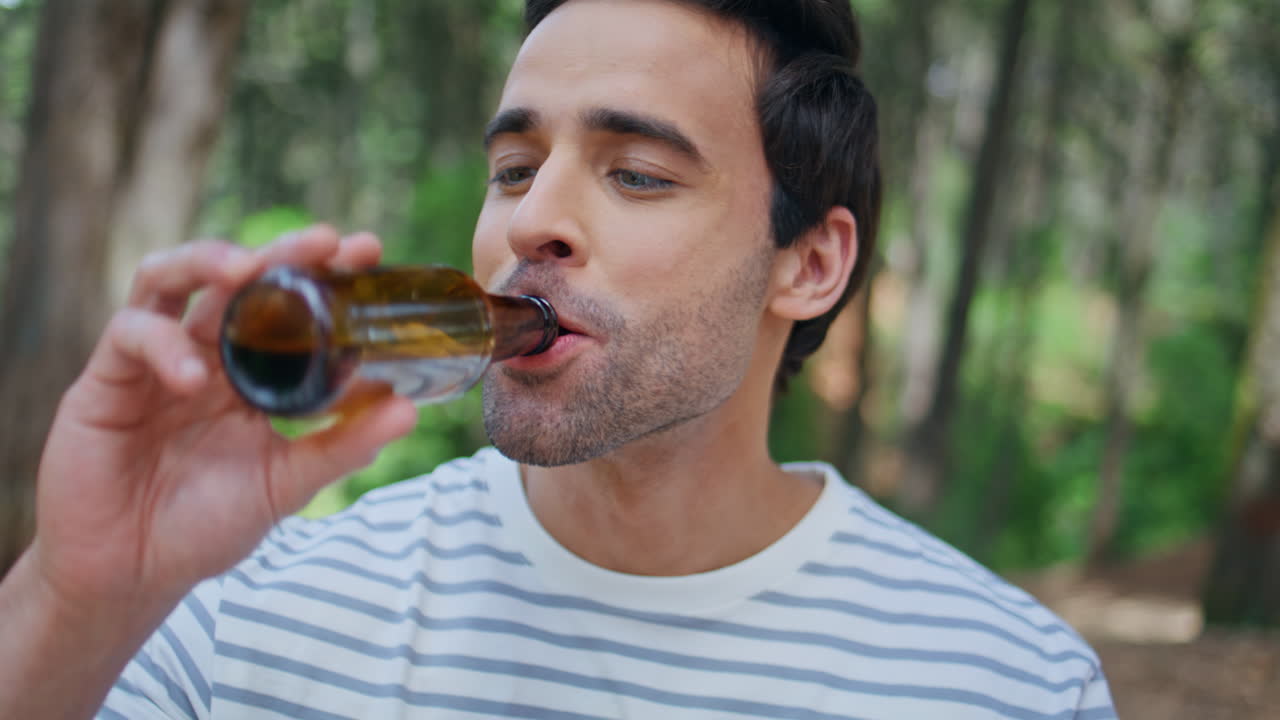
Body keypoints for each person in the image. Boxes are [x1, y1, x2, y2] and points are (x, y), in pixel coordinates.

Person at [0, 0, 1118, 717]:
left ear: (809, 262)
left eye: (636, 173)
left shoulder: (1006, 684)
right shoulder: (245, 612)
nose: (533, 221)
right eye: (513, 165)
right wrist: (72, 593)